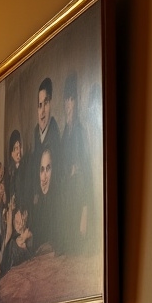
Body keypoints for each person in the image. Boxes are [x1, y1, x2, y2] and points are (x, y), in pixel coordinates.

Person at [60, 71, 92, 255]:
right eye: (66, 100)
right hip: (68, 205)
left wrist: (84, 214)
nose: (68, 105)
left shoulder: (80, 131)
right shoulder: (65, 133)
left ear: (76, 103)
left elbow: (86, 175)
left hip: (80, 204)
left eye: (71, 100)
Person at [31, 76, 60, 191]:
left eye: (46, 103)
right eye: (40, 105)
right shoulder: (36, 133)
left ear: (51, 104)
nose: (42, 111)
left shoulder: (54, 134)